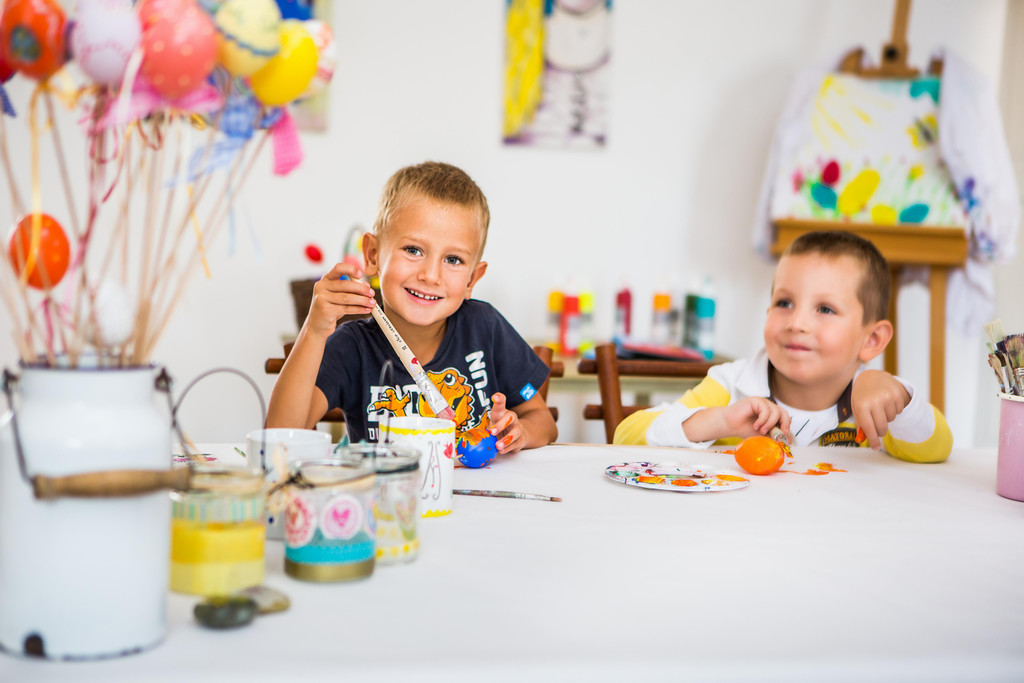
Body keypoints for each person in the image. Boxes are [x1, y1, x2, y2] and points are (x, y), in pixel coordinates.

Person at [267, 161, 558, 453]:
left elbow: (542, 420)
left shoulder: (486, 327)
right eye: (413, 250)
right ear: (372, 255)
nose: (430, 275)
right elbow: (279, 439)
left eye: (453, 260)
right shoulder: (351, 347)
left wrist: (518, 432)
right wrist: (314, 330)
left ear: (472, 278)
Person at [613, 230, 952, 463]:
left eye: (825, 309)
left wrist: (899, 398)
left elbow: (936, 450)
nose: (796, 323)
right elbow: (626, 437)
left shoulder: (876, 401)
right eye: (784, 303)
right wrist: (721, 421)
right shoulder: (731, 386)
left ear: (872, 340)